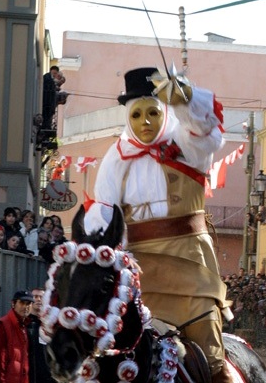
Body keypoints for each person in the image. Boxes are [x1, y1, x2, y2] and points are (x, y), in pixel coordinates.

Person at [85, 67, 232, 382]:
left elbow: (204, 130)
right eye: (136, 115)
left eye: (152, 112)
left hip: (191, 265)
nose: (145, 122)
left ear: (165, 110)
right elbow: (105, 217)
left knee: (210, 355)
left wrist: (185, 97)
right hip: (139, 275)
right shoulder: (116, 159)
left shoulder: (185, 146)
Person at [0, 290, 33, 383]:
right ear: (13, 304)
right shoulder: (2, 325)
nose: (25, 307)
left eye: (28, 303)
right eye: (22, 303)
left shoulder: (24, 326)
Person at [27, 288, 54, 383]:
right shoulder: (25, 323)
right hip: (29, 375)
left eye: (41, 297)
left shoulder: (52, 324)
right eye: (35, 297)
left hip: (48, 376)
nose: (38, 299)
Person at [42, 66, 59, 130]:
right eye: (54, 73)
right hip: (47, 104)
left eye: (55, 73)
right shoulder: (47, 78)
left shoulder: (50, 79)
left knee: (48, 119)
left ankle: (47, 126)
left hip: (49, 105)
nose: (54, 75)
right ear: (51, 71)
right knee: (46, 118)